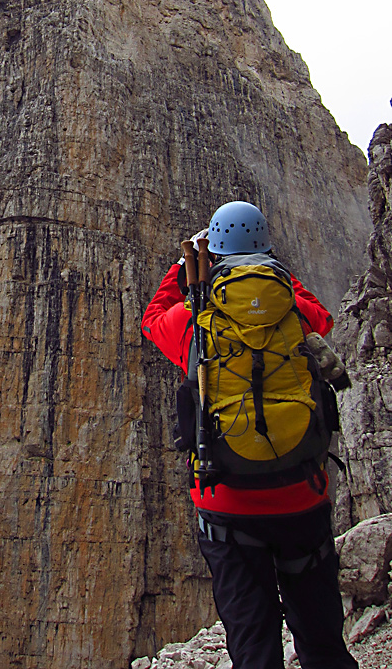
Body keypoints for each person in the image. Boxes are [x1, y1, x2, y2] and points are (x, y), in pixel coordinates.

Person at [141, 200, 357, 669]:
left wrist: (182, 271)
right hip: (302, 495)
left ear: (214, 252)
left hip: (226, 506)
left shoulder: (194, 320)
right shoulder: (294, 313)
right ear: (266, 251)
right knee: (322, 640)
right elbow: (323, 317)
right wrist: (276, 272)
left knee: (252, 643)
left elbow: (152, 319)